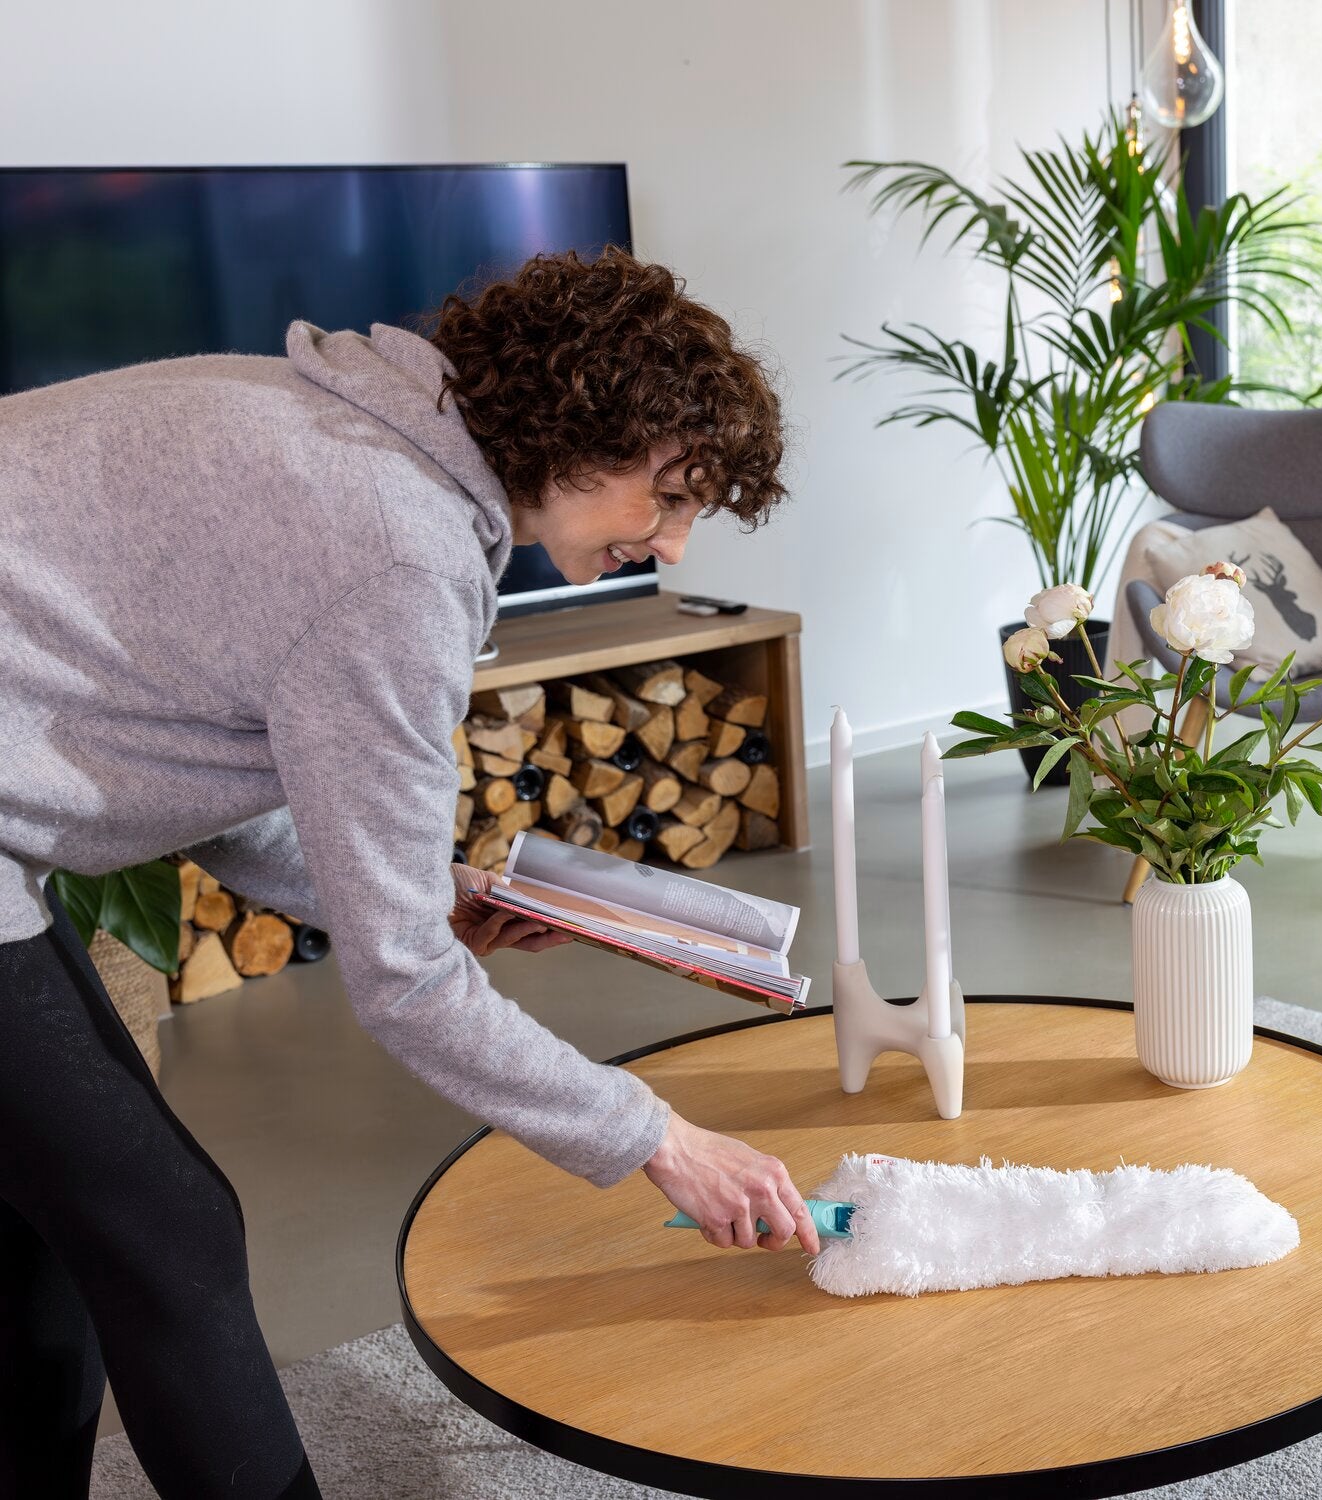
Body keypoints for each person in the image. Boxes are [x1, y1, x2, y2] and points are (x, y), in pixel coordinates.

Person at [0, 248, 819, 1500]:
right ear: (573, 429)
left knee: (62, 1224)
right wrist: (659, 1138)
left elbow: (177, 750)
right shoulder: (397, 554)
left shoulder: (335, 426)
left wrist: (419, 890)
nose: (670, 540)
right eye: (664, 495)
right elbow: (405, 986)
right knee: (166, 1233)